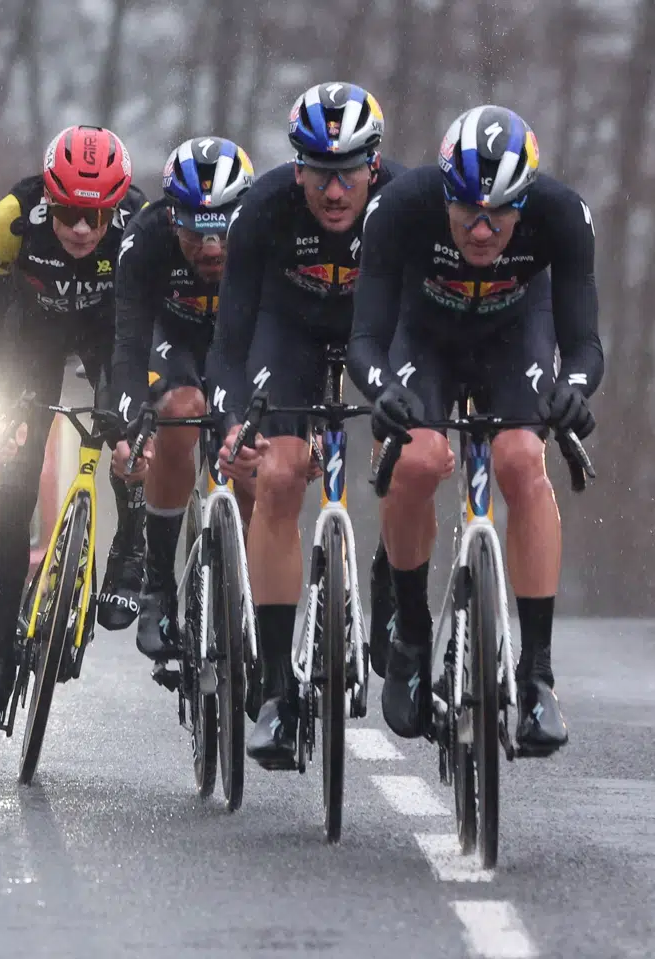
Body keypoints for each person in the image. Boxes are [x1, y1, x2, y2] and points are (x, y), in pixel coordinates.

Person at [346, 104, 603, 756]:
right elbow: (367, 337)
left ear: (526, 201)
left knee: (522, 458)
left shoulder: (563, 214)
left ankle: (537, 673)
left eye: (501, 214)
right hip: (425, 337)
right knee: (418, 459)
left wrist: (572, 391)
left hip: (516, 335)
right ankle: (408, 634)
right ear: (444, 195)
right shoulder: (400, 208)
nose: (484, 230)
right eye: (467, 213)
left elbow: (583, 343)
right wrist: (382, 393)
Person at [205, 82, 404, 768]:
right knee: (281, 475)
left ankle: (391, 571)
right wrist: (233, 423)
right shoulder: (262, 209)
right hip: (285, 334)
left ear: (374, 164)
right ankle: (274, 695)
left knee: (411, 451)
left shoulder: (402, 204)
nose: (334, 186)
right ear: (297, 168)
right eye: (319, 168)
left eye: (350, 168)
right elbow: (230, 342)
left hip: (371, 334)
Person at [0, 125, 149, 739]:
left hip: (108, 340)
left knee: (129, 439)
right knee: (12, 489)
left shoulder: (139, 227)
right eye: (68, 213)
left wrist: (135, 408)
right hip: (30, 343)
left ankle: (130, 553)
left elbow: (148, 329)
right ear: (49, 197)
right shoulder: (10, 220)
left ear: (116, 206)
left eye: (95, 217)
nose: (80, 230)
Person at [105, 136, 256, 663]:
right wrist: (131, 425)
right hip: (176, 342)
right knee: (180, 411)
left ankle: (247, 586)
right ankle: (158, 584)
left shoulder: (264, 234)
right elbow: (125, 349)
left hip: (240, 343)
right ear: (172, 218)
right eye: (195, 233)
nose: (211, 250)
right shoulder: (143, 236)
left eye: (222, 233)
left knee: (254, 453)